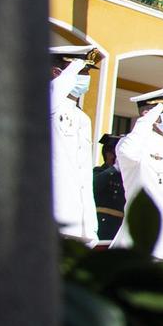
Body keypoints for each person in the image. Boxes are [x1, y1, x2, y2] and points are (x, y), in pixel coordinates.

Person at [112, 86, 163, 258]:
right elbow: (127, 153)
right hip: (140, 244)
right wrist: (145, 122)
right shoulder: (133, 144)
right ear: (149, 114)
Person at [49, 44, 100, 241]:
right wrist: (69, 73)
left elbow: (83, 172)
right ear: (57, 73)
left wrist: (90, 225)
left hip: (78, 220)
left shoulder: (82, 118)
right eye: (81, 71)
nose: (85, 77)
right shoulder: (49, 104)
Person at [93, 133, 126, 241]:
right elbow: (95, 184)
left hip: (120, 226)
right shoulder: (98, 171)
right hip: (103, 224)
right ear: (109, 154)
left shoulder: (125, 176)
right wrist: (114, 169)